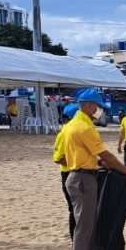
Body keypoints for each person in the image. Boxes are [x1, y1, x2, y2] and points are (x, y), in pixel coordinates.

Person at [61, 89, 126, 250]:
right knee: (85, 226)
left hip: (77, 176)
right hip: (83, 180)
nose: (98, 110)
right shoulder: (84, 127)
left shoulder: (71, 126)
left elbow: (69, 155)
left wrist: (95, 163)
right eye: (97, 106)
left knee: (83, 225)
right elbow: (106, 155)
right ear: (87, 105)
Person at [53, 103, 80, 241]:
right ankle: (75, 241)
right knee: (74, 211)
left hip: (77, 173)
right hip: (69, 174)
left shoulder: (74, 132)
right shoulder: (64, 134)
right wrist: (76, 164)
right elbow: (58, 158)